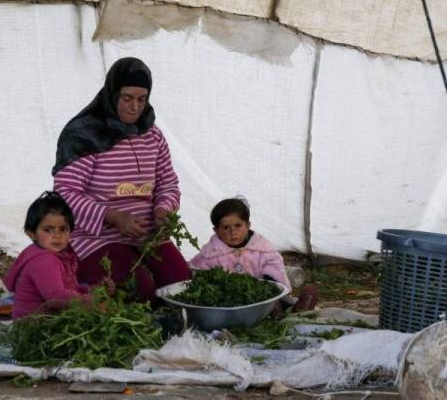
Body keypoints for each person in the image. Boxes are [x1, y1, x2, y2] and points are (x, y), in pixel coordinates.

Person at [52, 57, 191, 304]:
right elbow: (65, 194)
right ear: (112, 93)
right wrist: (113, 216)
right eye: (127, 98)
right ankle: (80, 277)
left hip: (147, 236)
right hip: (96, 239)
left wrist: (163, 210)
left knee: (181, 286)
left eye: (142, 99)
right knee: (140, 292)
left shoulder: (152, 135)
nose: (134, 107)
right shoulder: (85, 135)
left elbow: (168, 183)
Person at [190, 197, 318, 312]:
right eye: (225, 228)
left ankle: (294, 309)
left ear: (248, 225)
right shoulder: (210, 253)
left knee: (279, 300)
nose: (233, 232)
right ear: (216, 231)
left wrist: (272, 288)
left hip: (262, 294)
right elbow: (199, 274)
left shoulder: (261, 248)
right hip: (227, 303)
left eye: (238, 225)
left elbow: (274, 269)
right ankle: (272, 312)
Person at [4, 191, 91, 319]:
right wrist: (89, 302)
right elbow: (56, 299)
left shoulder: (57, 255)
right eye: (48, 230)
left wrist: (91, 290)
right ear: (31, 233)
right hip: (34, 327)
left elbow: (68, 287)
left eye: (63, 229)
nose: (57, 235)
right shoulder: (44, 261)